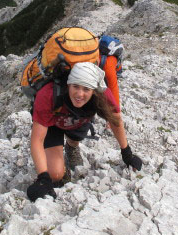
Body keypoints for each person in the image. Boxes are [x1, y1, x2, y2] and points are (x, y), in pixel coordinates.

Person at [26, 62, 142, 202]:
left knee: (75, 138)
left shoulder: (103, 95)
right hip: (52, 125)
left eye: (86, 89)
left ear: (94, 90)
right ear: (68, 84)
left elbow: (115, 121)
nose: (79, 94)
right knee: (55, 174)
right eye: (75, 87)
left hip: (79, 118)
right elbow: (36, 140)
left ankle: (72, 147)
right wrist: (43, 178)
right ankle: (63, 171)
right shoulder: (48, 95)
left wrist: (127, 153)